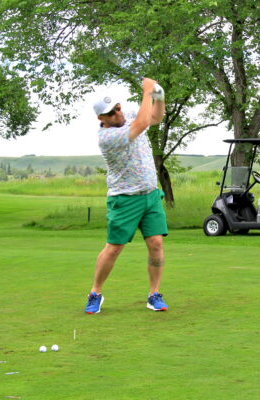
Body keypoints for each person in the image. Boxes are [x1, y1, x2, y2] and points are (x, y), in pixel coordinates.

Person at [85, 77, 168, 314]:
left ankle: (154, 294)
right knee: (114, 248)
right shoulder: (107, 138)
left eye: (118, 108)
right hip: (124, 198)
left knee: (156, 243)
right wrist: (148, 91)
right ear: (101, 119)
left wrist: (159, 97)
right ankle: (95, 293)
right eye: (111, 113)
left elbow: (154, 118)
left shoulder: (128, 114)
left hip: (150, 194)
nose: (118, 113)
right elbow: (141, 123)